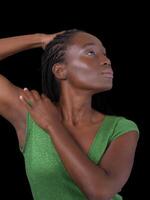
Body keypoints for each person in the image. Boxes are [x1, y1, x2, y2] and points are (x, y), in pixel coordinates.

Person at [0, 29, 139, 200]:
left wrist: (52, 125)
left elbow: (100, 191)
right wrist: (40, 39)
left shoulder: (121, 128)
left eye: (105, 54)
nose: (106, 61)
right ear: (60, 71)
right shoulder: (31, 113)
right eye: (91, 52)